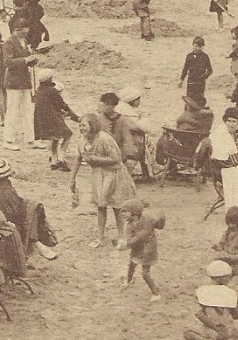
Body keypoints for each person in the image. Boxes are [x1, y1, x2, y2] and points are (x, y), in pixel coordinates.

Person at [73, 113, 136, 248]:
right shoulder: (81, 141)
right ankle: (100, 237)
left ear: (92, 125)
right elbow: (78, 159)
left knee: (116, 207)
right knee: (101, 207)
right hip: (98, 176)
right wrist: (72, 179)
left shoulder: (104, 139)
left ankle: (121, 237)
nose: (81, 128)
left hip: (113, 174)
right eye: (80, 125)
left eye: (84, 125)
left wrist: (96, 160)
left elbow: (116, 159)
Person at [0, 157, 58, 260]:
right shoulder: (4, 190)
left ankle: (36, 242)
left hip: (7, 213)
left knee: (32, 205)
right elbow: (12, 211)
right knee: (32, 210)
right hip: (6, 218)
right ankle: (36, 242)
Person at [184, 260, 238, 340]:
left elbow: (199, 314)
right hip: (228, 331)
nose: (229, 278)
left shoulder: (202, 291)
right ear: (220, 278)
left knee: (188, 332)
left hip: (212, 330)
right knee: (232, 329)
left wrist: (214, 327)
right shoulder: (231, 293)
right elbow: (237, 315)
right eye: (228, 276)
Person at [1, 18, 37, 150]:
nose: (27, 32)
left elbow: (25, 58)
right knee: (13, 111)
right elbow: (8, 62)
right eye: (25, 29)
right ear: (18, 30)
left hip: (24, 80)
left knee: (28, 110)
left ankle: (30, 139)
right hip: (14, 81)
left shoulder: (24, 41)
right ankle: (8, 140)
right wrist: (26, 59)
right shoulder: (9, 43)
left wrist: (32, 59)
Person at [33, 69, 79, 171]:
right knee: (68, 135)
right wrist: (73, 115)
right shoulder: (52, 90)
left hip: (42, 119)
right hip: (53, 119)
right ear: (49, 79)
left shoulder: (39, 90)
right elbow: (62, 104)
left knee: (55, 139)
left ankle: (54, 161)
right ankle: (61, 159)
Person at [118, 199, 163, 301]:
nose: (123, 214)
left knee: (145, 273)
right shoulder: (129, 225)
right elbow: (131, 239)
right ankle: (129, 281)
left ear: (134, 211)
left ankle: (155, 293)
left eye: (125, 211)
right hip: (137, 248)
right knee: (131, 264)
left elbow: (155, 228)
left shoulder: (147, 219)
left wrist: (161, 218)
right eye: (122, 212)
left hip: (148, 250)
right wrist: (125, 244)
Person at [213, 206, 238, 275]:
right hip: (226, 260)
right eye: (228, 223)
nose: (230, 225)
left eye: (233, 223)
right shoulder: (228, 231)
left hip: (237, 264)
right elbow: (222, 244)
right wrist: (218, 247)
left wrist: (227, 258)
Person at [179, 36, 213, 100]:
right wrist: (181, 80)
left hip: (200, 83)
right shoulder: (189, 56)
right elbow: (185, 69)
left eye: (200, 47)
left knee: (199, 100)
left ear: (203, 47)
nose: (198, 48)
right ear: (193, 45)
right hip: (191, 82)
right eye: (196, 46)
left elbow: (210, 70)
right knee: (189, 100)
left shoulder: (205, 57)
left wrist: (204, 76)